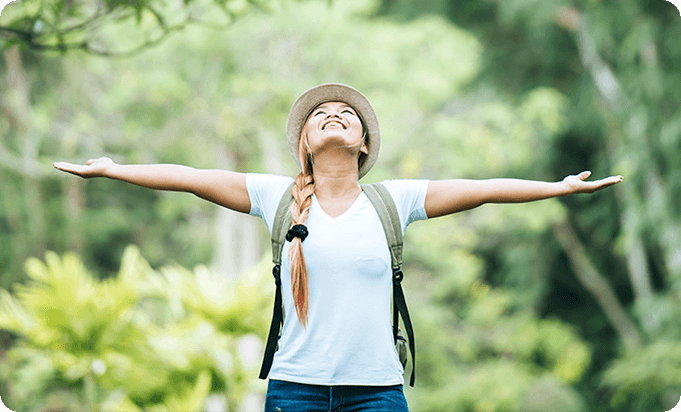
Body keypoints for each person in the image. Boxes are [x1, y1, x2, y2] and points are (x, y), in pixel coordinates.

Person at [53, 83, 623, 412]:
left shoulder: (392, 203)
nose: (334, 117)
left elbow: (481, 191)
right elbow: (188, 175)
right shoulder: (273, 196)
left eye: (346, 115)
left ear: (363, 143)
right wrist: (113, 170)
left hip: (376, 392)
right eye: (322, 115)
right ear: (306, 142)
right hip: (293, 390)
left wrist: (557, 188)